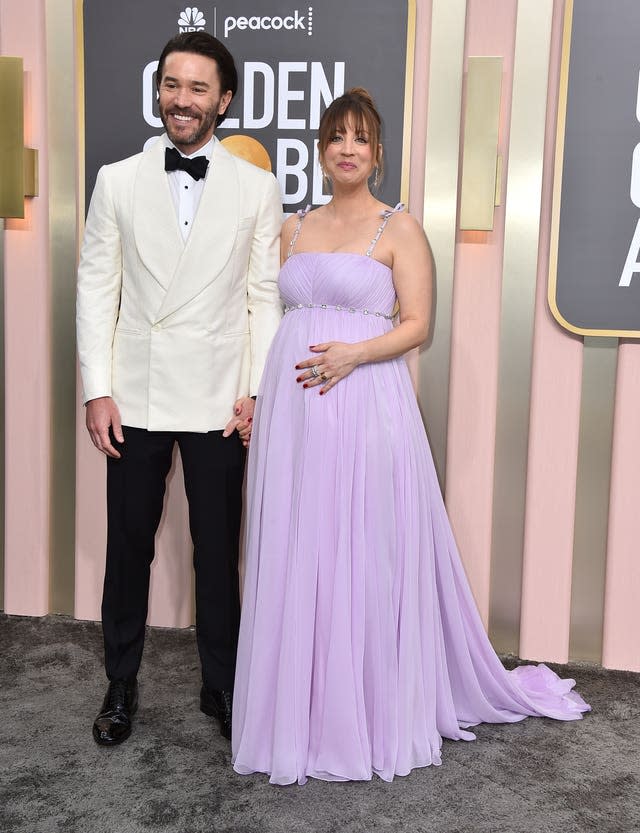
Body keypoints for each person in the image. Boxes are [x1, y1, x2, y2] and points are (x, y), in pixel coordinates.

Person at [231, 88, 590, 785]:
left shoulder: (400, 227)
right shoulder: (291, 225)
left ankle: (363, 710)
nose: (347, 148)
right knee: (301, 543)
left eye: (360, 138)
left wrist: (351, 356)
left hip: (366, 404)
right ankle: (300, 714)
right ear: (321, 147)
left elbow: (418, 323)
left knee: (364, 546)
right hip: (296, 415)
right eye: (337, 136)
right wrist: (257, 392)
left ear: (378, 152)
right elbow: (265, 313)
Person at [76, 32, 282, 746]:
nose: (181, 100)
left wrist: (257, 389)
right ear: (156, 90)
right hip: (135, 392)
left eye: (197, 88)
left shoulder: (258, 188)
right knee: (128, 544)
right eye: (171, 84)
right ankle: (120, 681)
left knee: (216, 547)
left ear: (223, 101)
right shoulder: (118, 179)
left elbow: (263, 298)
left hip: (220, 396)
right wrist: (96, 389)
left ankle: (221, 684)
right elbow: (97, 288)